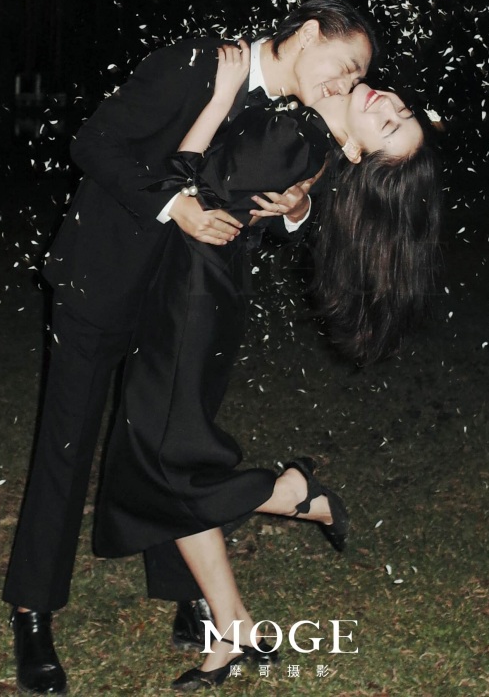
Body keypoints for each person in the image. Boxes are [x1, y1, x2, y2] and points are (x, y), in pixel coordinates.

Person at [3, 0, 377, 695]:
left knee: (166, 443)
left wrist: (296, 209)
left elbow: (245, 203)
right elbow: (94, 143)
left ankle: (186, 596)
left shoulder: (292, 115)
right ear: (305, 34)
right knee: (66, 444)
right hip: (103, 278)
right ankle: (33, 612)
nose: (348, 84)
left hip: (182, 306)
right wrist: (174, 206)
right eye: (347, 64)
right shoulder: (200, 61)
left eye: (357, 78)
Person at [93, 44, 441, 690]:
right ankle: (234, 627)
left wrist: (221, 97)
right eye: (402, 111)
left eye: (390, 124)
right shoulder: (311, 136)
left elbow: (184, 180)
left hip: (190, 304)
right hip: (199, 297)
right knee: (166, 461)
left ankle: (290, 493)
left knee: (164, 464)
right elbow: (256, 197)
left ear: (359, 152)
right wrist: (300, 199)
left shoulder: (298, 135)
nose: (388, 104)